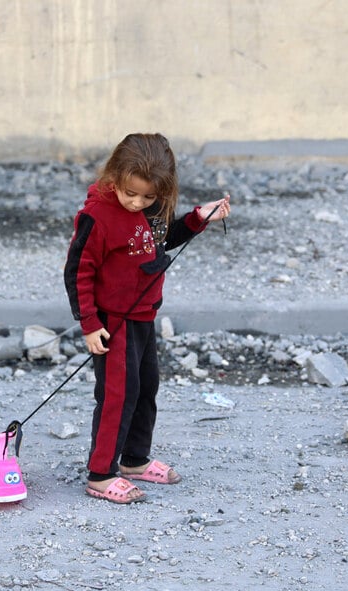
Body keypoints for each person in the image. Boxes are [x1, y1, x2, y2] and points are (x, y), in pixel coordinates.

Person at [63, 133, 231, 504]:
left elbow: (159, 239)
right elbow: (78, 272)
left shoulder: (151, 207)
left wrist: (198, 219)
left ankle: (135, 461)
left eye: (149, 197)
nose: (138, 202)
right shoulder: (97, 216)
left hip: (143, 314)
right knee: (118, 395)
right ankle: (101, 474)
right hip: (112, 321)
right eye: (130, 194)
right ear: (115, 177)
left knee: (145, 388)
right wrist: (89, 324)